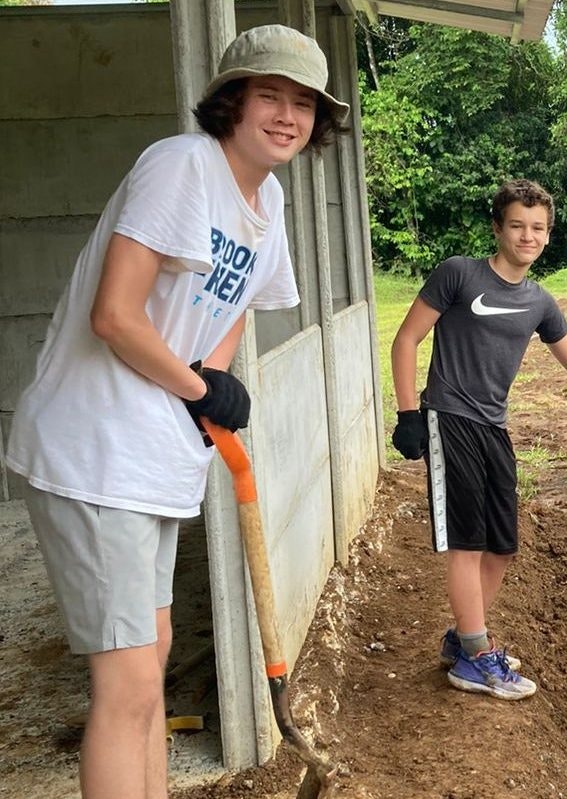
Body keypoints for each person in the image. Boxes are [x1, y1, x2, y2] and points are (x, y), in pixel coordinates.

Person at [3, 25, 349, 799]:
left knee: (147, 670)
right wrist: (199, 389)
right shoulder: (183, 165)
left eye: (302, 103)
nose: (287, 116)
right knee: (125, 689)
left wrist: (211, 384)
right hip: (94, 450)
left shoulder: (267, 199)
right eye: (270, 95)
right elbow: (115, 316)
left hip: (152, 457)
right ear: (231, 101)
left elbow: (236, 305)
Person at [390, 179, 567, 701]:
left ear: (548, 234)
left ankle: (462, 638)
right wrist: (409, 413)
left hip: (494, 426)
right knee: (468, 543)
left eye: (538, 227)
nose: (527, 235)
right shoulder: (459, 275)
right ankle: (475, 656)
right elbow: (406, 338)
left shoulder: (539, 301)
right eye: (517, 225)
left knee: (502, 546)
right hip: (449, 417)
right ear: (497, 228)